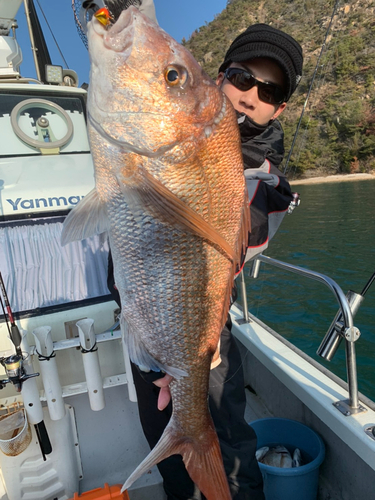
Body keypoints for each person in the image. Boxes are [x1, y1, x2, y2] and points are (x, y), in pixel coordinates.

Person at [105, 4, 303, 499]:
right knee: (159, 429)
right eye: (241, 77)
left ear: (279, 109)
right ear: (219, 79)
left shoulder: (268, 180)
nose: (251, 95)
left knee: (228, 433)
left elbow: (241, 236)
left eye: (269, 91)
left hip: (202, 325)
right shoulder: (170, 132)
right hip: (140, 313)